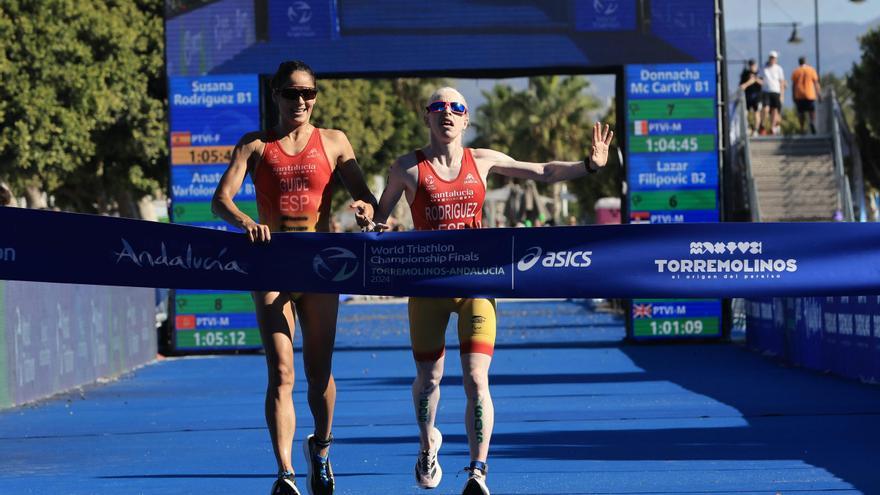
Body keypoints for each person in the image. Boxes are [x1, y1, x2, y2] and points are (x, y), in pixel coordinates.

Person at [354, 87, 613, 495]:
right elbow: (378, 221)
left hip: (476, 282)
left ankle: (478, 471)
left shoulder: (483, 160)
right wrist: (367, 216)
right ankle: (427, 446)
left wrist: (590, 166)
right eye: (438, 107)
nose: (447, 113)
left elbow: (543, 172)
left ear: (466, 119)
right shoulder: (406, 168)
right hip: (428, 286)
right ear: (427, 117)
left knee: (476, 378)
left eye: (455, 108)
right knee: (430, 378)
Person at [212, 60, 377, 495]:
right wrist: (246, 221)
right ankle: (284, 473)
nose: (300, 101)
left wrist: (364, 208)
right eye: (291, 93)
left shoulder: (335, 141)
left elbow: (366, 195)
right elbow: (220, 201)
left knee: (318, 372)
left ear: (316, 96)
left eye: (308, 93)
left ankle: (320, 451)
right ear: (276, 96)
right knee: (281, 373)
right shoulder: (255, 145)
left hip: (321, 265)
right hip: (272, 264)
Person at [791, 56, 821, 135]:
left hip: (799, 94)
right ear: (806, 62)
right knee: (812, 111)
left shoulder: (796, 71)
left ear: (799, 62)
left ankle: (802, 127)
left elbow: (793, 85)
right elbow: (816, 83)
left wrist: (793, 96)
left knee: (801, 112)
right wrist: (819, 94)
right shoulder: (811, 70)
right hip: (810, 94)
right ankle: (812, 122)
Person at [758, 50, 786, 136]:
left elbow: (781, 82)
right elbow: (760, 78)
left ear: (776, 59)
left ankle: (772, 127)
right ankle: (762, 124)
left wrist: (782, 95)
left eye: (774, 58)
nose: (772, 59)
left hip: (776, 91)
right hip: (766, 91)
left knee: (774, 110)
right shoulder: (764, 67)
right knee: (765, 108)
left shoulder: (779, 69)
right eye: (771, 58)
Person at [738, 59, 763, 135]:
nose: (752, 67)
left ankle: (756, 129)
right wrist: (748, 82)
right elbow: (741, 85)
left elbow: (763, 83)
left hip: (757, 96)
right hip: (748, 96)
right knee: (746, 113)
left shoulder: (759, 73)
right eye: (751, 65)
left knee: (757, 112)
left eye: (753, 65)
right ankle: (748, 127)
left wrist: (755, 79)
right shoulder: (745, 74)